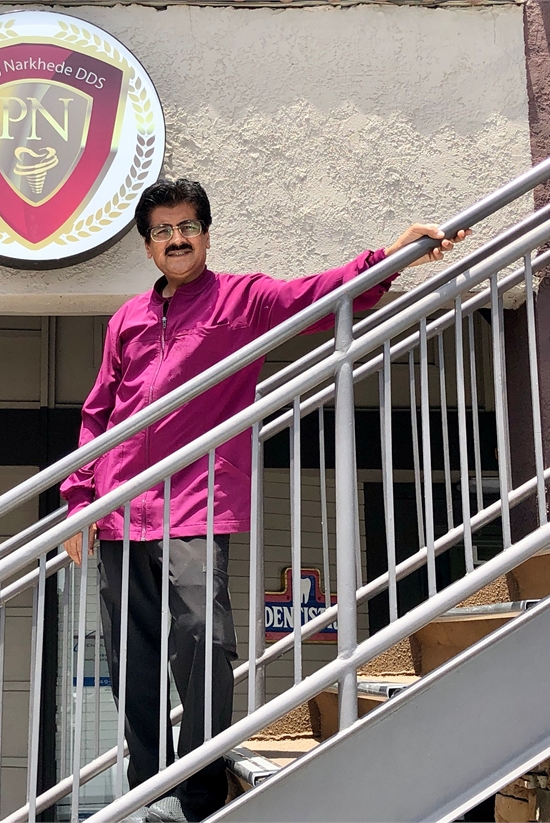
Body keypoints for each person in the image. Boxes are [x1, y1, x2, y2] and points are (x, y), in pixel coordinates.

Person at [60, 178, 467, 823]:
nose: (176, 239)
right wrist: (80, 496)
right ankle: (148, 788)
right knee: (130, 659)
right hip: (118, 508)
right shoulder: (127, 320)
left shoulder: (238, 298)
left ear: (206, 233)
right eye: (162, 230)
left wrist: (389, 257)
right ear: (147, 246)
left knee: (202, 637)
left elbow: (316, 294)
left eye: (187, 226)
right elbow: (99, 412)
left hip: (194, 503)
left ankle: (196, 788)